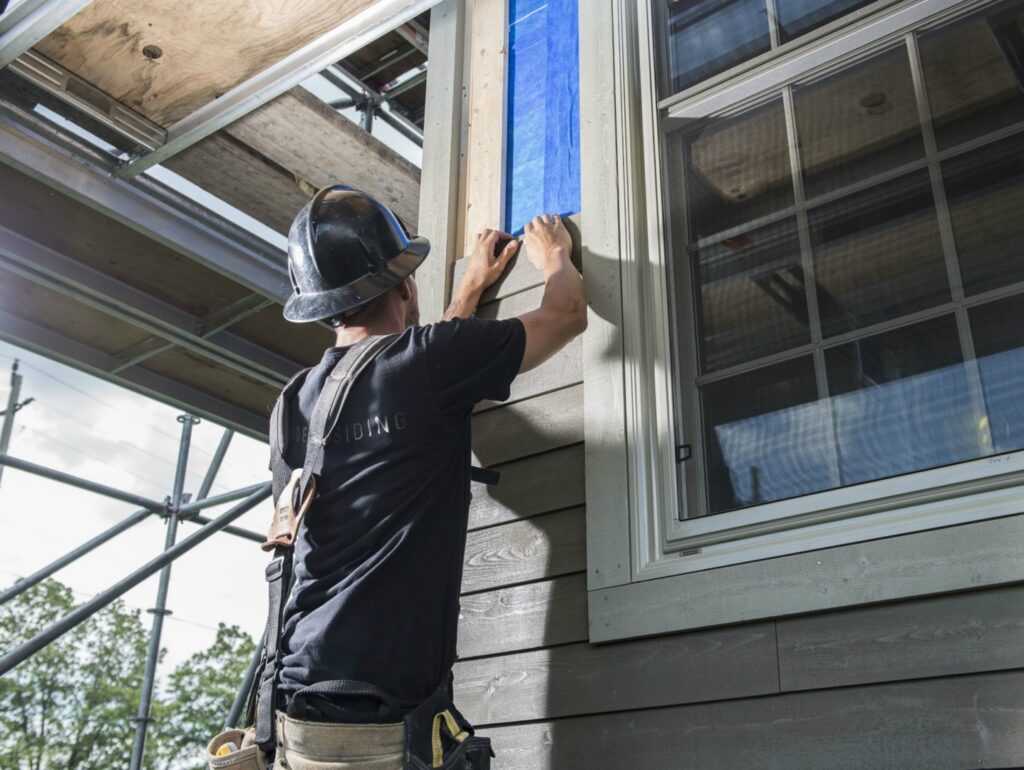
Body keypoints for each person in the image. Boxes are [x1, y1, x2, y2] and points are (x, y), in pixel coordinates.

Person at [261, 185, 586, 769]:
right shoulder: (431, 365)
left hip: (296, 720)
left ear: (322, 307)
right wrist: (554, 257)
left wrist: (467, 293)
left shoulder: (290, 407)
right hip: (380, 726)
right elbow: (565, 315)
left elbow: (410, 399)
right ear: (405, 284)